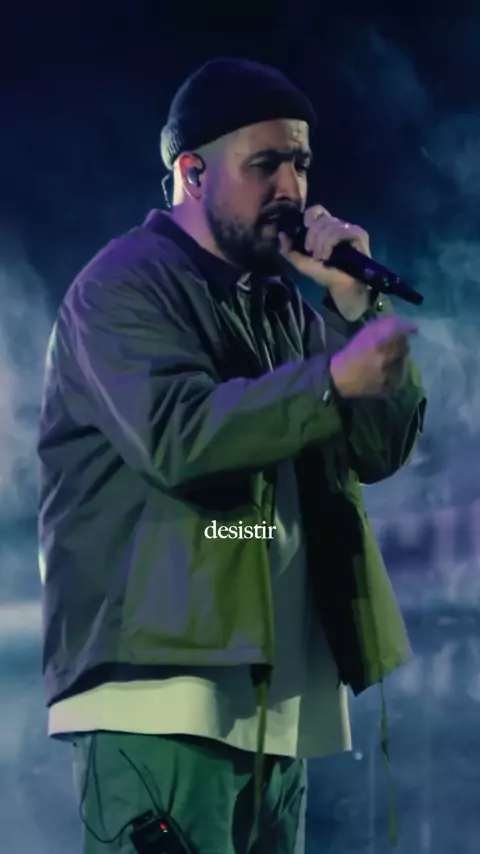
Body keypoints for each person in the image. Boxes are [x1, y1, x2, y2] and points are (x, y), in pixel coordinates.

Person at [37, 58, 427, 854]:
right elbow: (180, 438)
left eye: (301, 163)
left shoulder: (280, 306)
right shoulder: (122, 287)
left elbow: (378, 450)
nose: (292, 187)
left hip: (275, 703)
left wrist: (353, 308)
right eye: (266, 164)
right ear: (191, 172)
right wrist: (331, 379)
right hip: (162, 701)